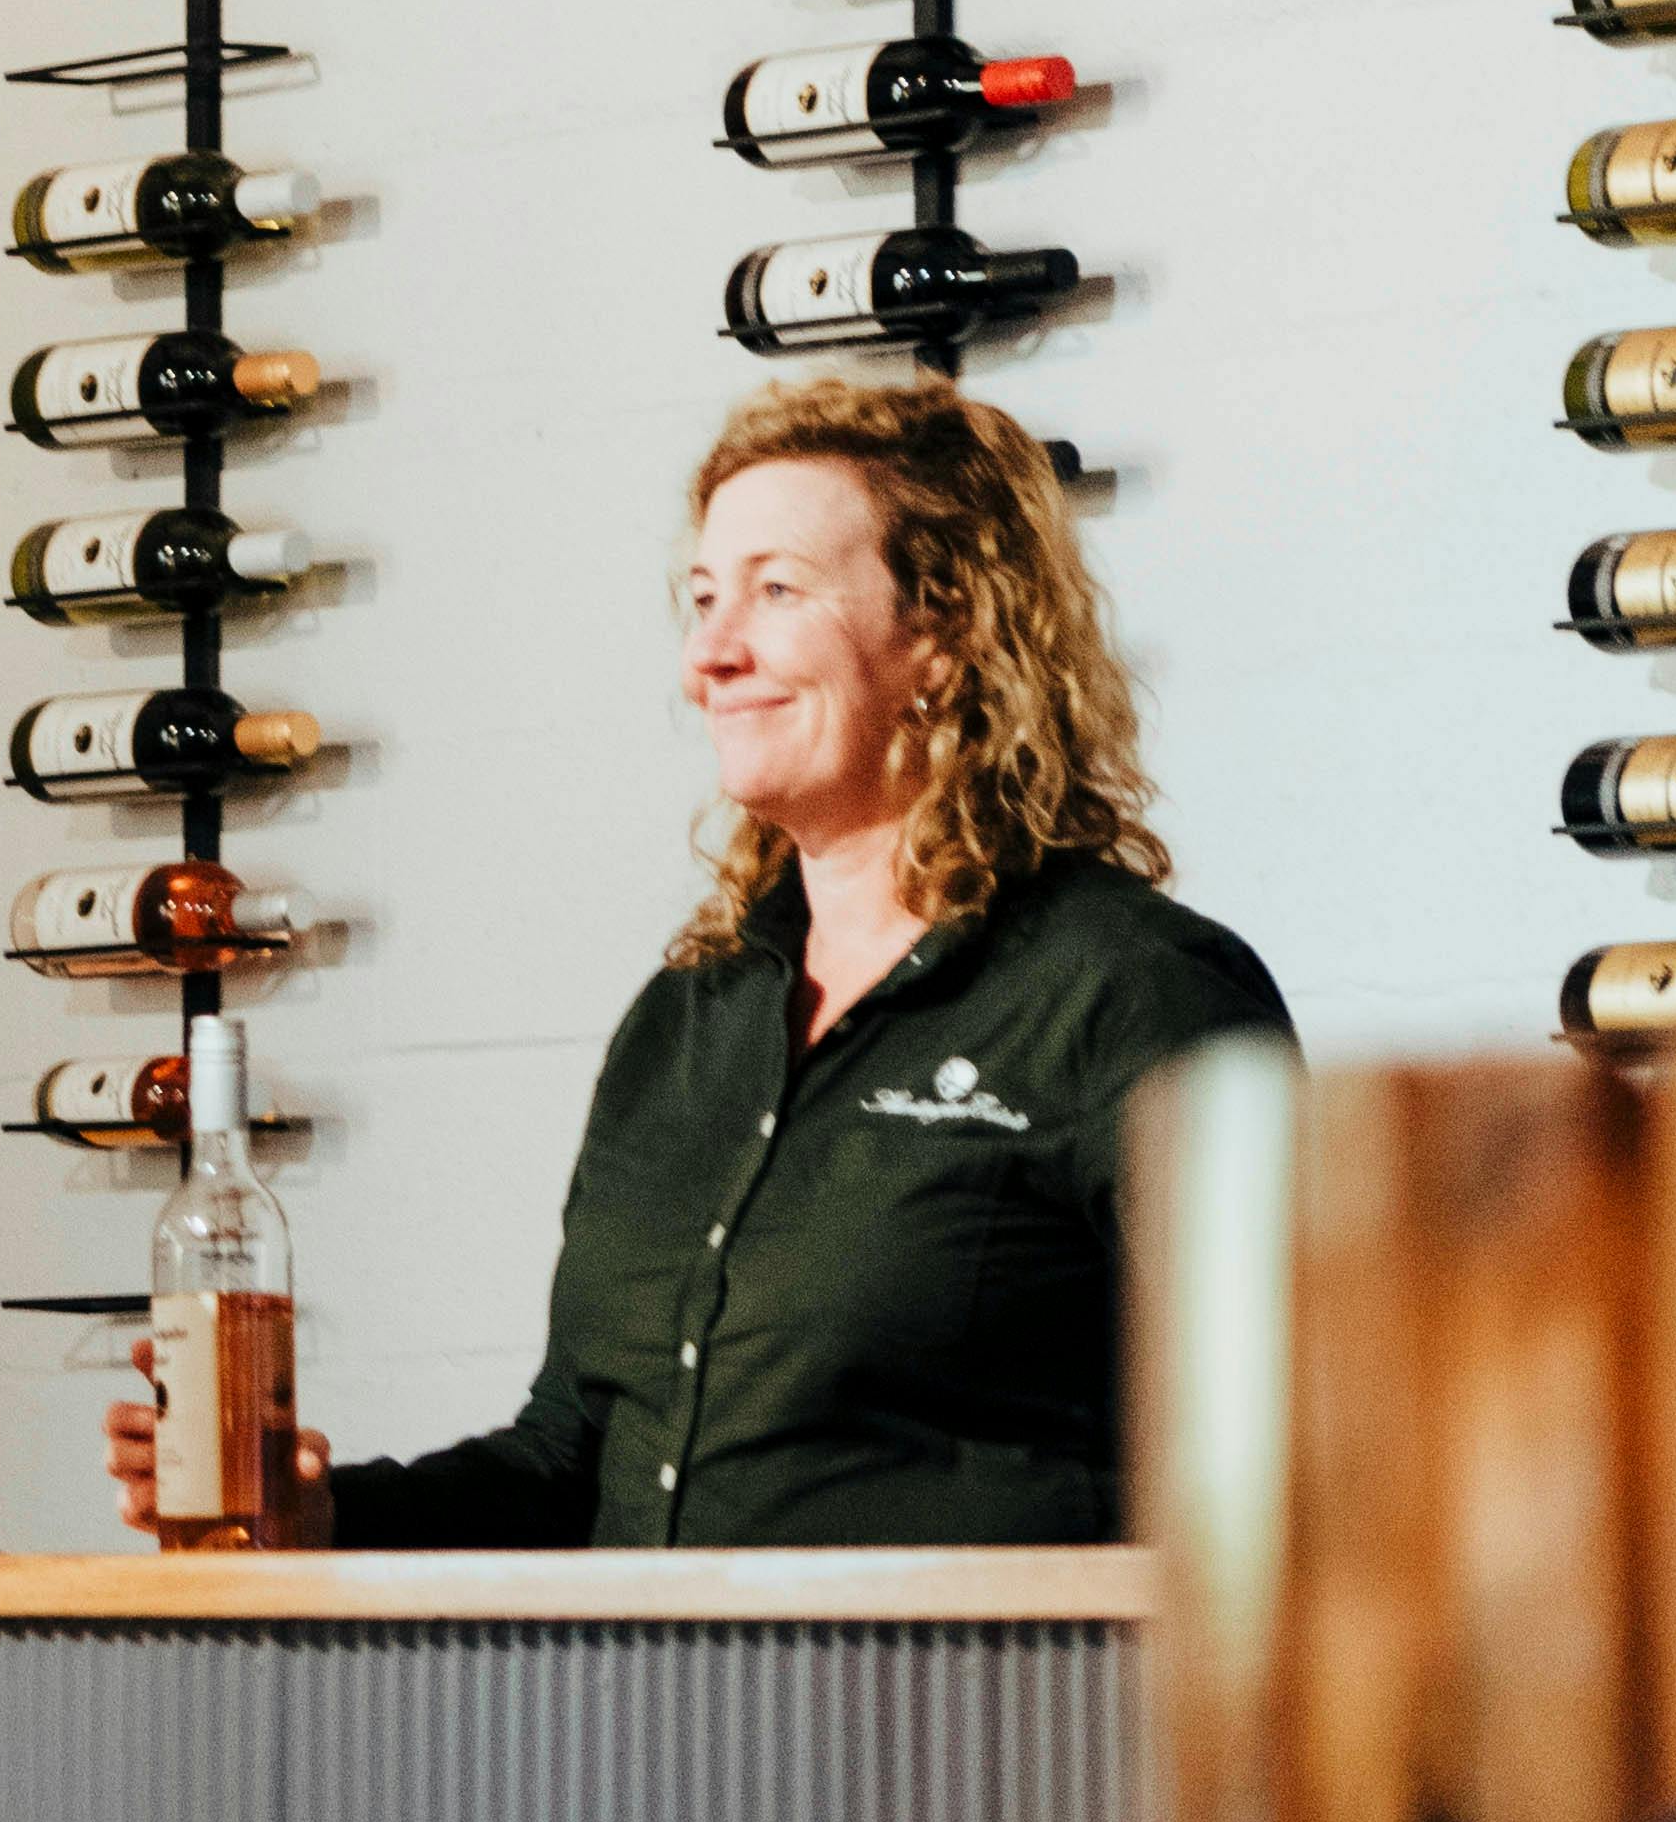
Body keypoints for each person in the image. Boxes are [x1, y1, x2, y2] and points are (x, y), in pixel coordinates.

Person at [110, 371, 1285, 1557]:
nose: (710, 655)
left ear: (945, 633)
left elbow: (1282, 1455)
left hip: (978, 1727)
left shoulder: (1134, 994)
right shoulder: (684, 1024)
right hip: (664, 1730)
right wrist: (319, 1515)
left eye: (776, 591)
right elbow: (572, 1456)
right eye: (702, 597)